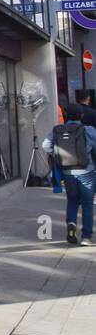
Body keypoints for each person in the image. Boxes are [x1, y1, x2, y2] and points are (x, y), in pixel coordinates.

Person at [43, 104, 96, 246]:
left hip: (67, 172)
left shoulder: (57, 130)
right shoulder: (88, 130)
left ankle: (71, 224)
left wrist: (58, 155)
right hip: (87, 172)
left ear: (66, 115)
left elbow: (45, 145)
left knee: (72, 201)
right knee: (87, 204)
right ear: (82, 116)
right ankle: (86, 237)